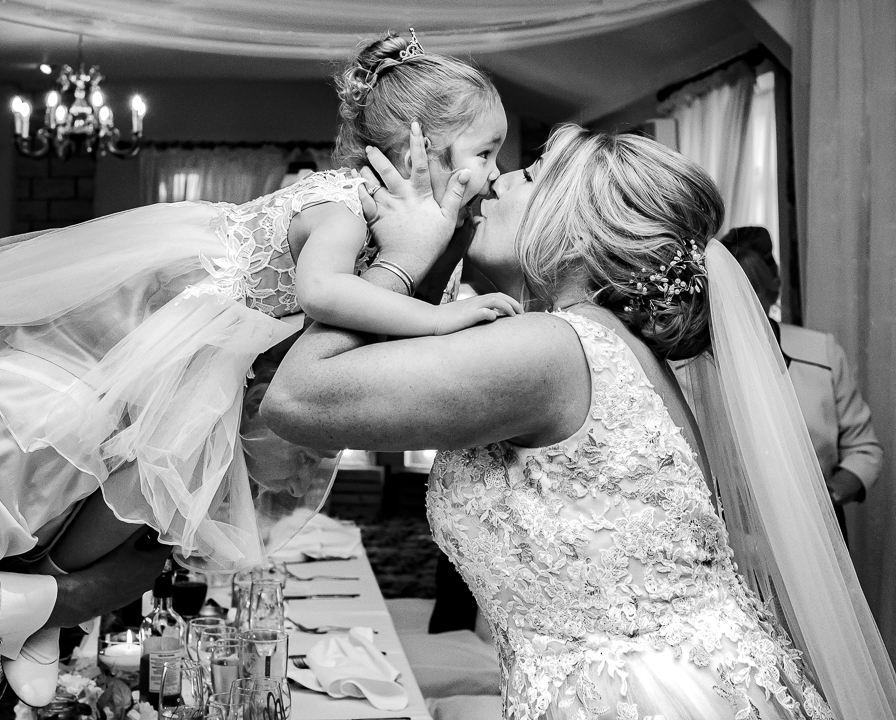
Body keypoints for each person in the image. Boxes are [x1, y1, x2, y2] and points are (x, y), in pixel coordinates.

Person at [0, 29, 519, 714]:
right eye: (487, 152)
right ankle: (54, 607)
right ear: (419, 146)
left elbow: (349, 364)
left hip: (193, 367)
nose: (493, 173)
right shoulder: (340, 209)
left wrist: (432, 253)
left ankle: (48, 616)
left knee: (147, 487)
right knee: (154, 477)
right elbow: (323, 294)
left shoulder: (368, 233)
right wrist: (434, 312)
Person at [262, 124, 896, 718]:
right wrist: (434, 251)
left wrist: (402, 258)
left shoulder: (552, 350)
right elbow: (358, 385)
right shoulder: (589, 342)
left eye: (529, 174)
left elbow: (297, 400)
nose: (496, 178)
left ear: (577, 230)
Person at [721, 226, 882, 540]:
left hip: (817, 533)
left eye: (753, 292)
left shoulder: (820, 352)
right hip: (739, 537)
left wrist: (828, 498)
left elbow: (864, 449)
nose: (744, 308)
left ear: (773, 288)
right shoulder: (699, 368)